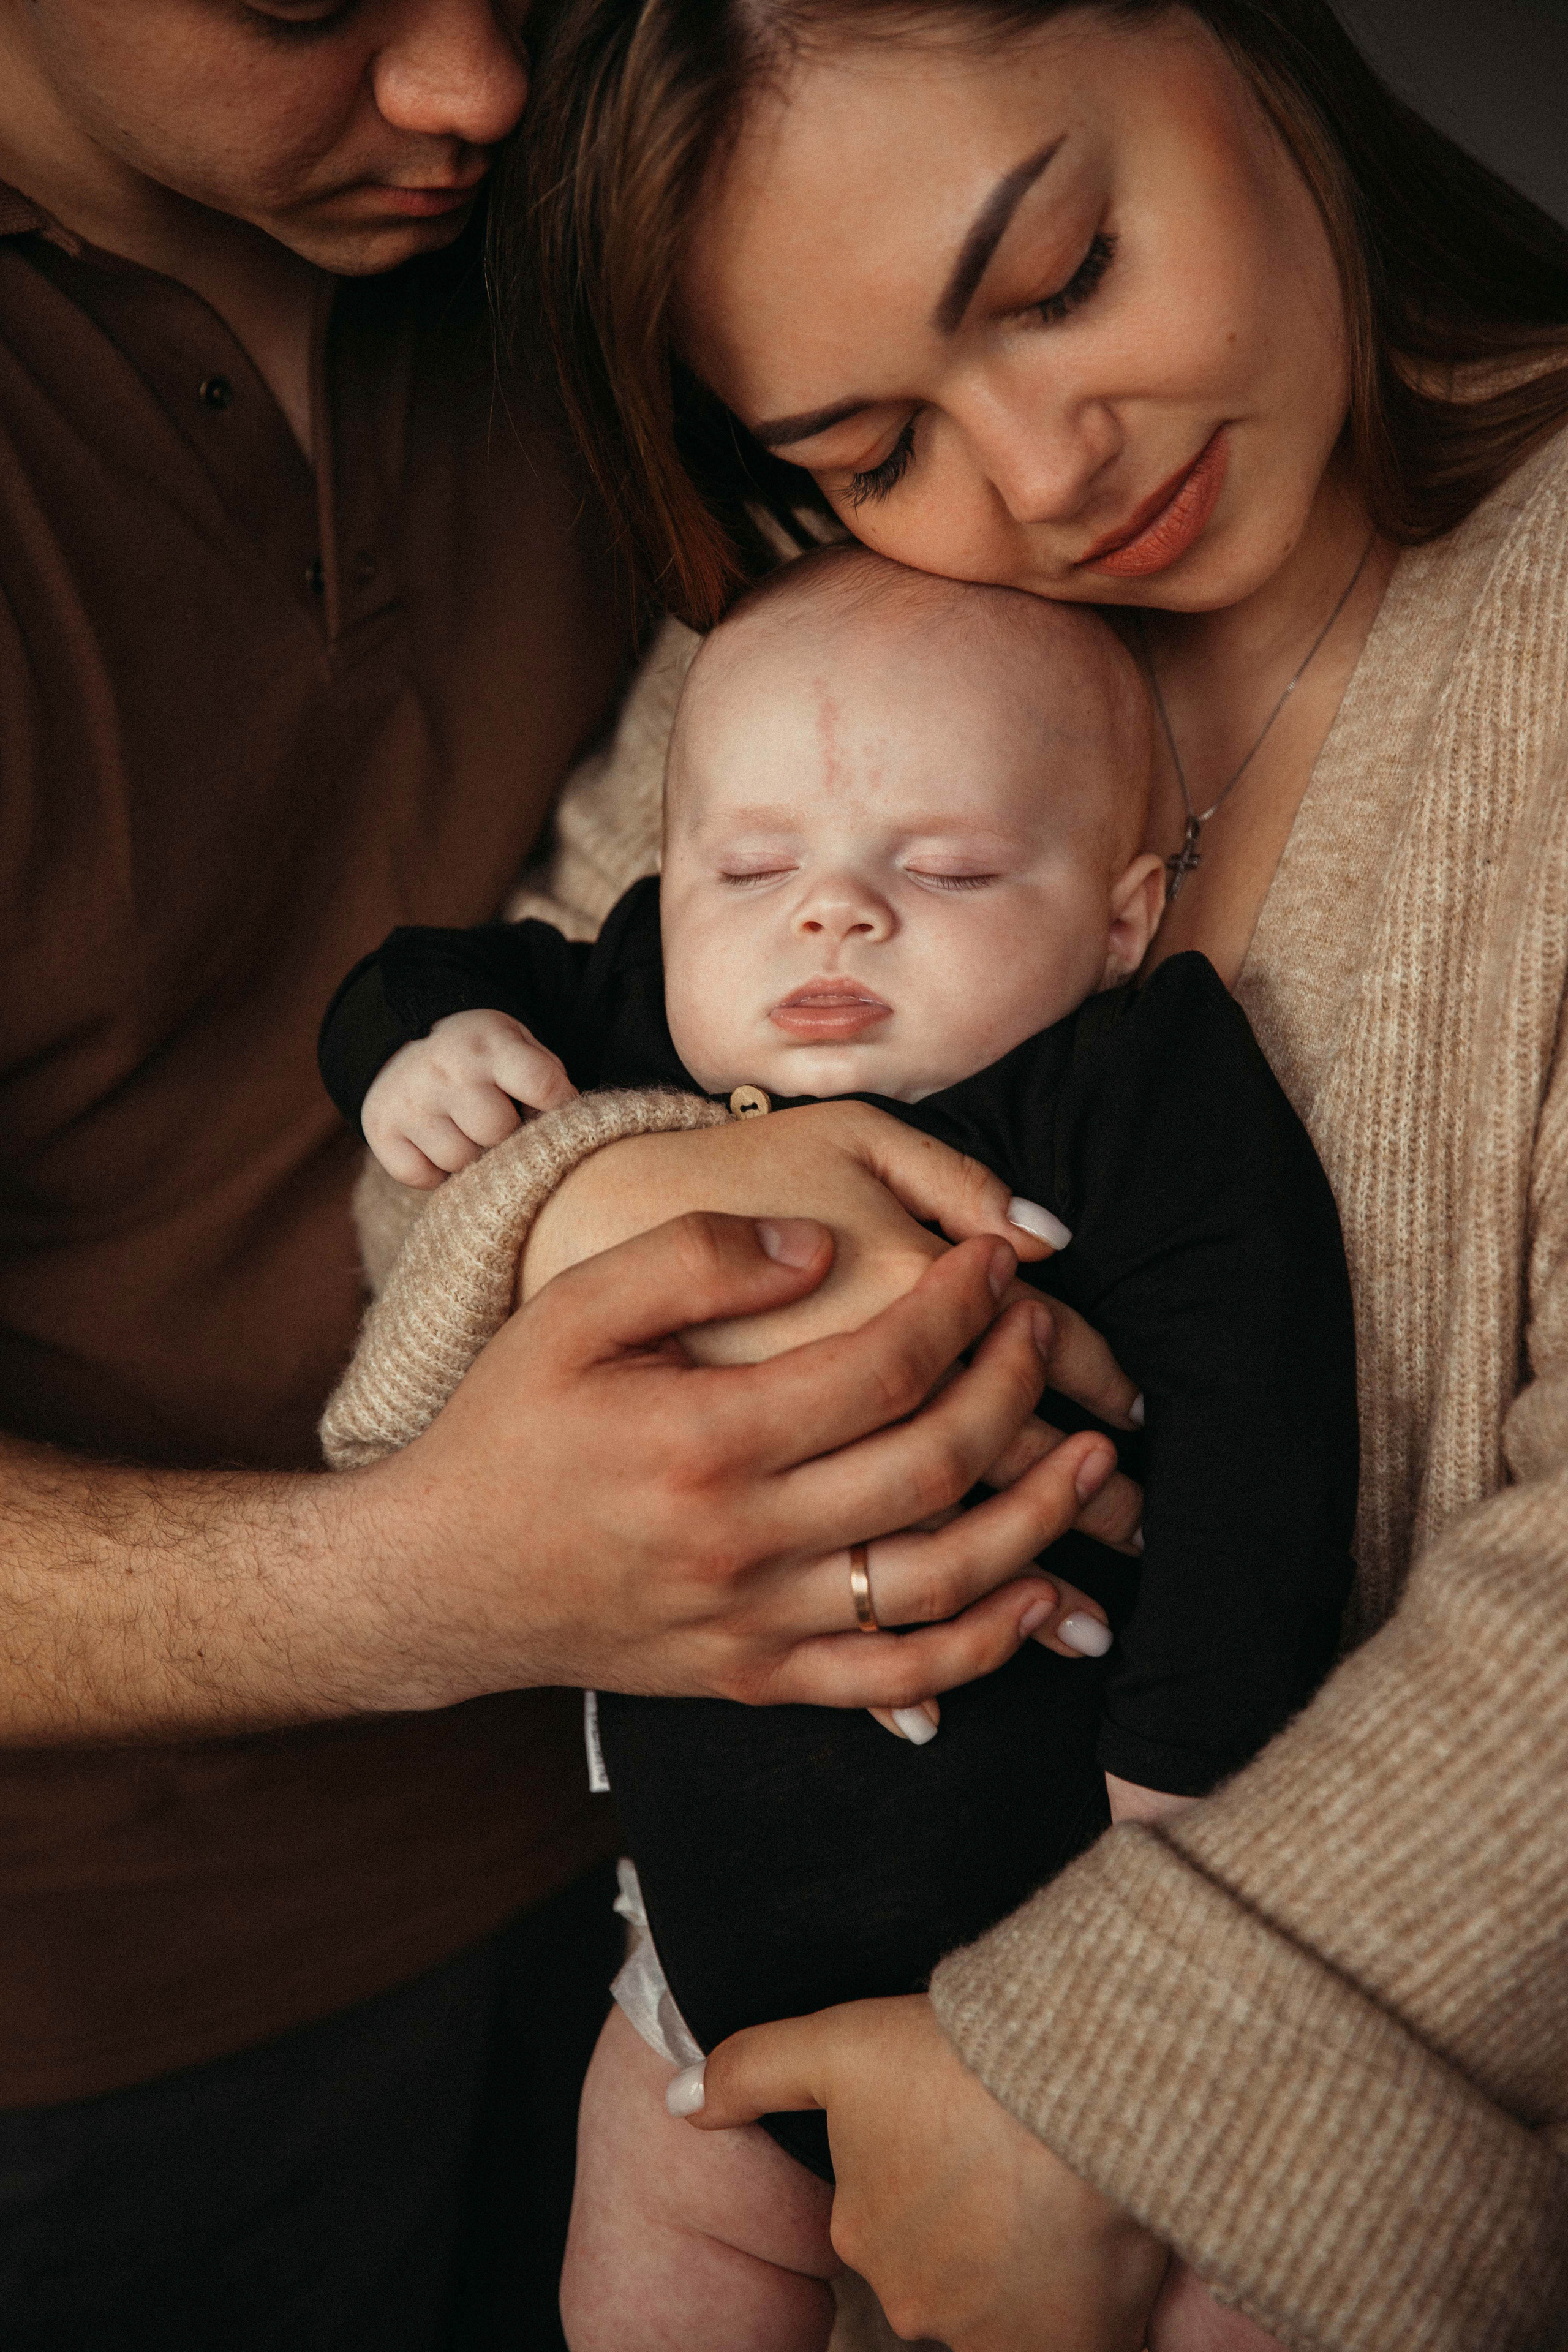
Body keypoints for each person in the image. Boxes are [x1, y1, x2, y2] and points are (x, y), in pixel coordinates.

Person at [330, 0, 1568, 2343]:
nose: (1045, 466)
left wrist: (1105, 2071)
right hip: (762, 2044)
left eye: (1069, 267)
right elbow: (438, 1179)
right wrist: (587, 1196)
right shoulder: (842, 638)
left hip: (1355, 2173)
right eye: (871, 436)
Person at [0, 5, 1133, 2346]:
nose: (473, 86)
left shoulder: (637, 213)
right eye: (306, 4)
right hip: (138, 2021)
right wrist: (419, 1581)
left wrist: (601, 1179)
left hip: (732, 1848)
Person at [320, 544, 1359, 2352]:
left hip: (1062, 1952)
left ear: (1118, 921)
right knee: (645, 2271)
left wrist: (1185, 1794)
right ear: (675, 886)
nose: (830, 919)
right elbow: (416, 972)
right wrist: (422, 1048)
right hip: (701, 1990)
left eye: (944, 870)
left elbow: (1268, 1429)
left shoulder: (1129, 1084)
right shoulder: (639, 1009)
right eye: (751, 867)